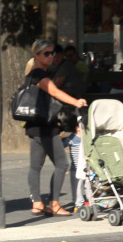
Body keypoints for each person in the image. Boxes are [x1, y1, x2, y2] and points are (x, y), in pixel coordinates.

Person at [23, 39, 88, 216]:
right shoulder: (38, 74)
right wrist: (76, 101)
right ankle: (54, 203)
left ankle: (37, 203)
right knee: (62, 164)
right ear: (36, 55)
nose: (51, 56)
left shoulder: (35, 73)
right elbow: (55, 91)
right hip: (45, 126)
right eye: (46, 53)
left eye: (52, 53)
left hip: (35, 125)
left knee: (35, 166)